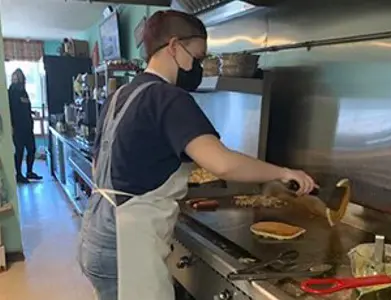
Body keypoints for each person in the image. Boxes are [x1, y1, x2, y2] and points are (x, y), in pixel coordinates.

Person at [78, 10, 317, 300]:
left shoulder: (122, 94)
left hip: (96, 234)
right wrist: (283, 172)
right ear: (174, 46)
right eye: (199, 57)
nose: (199, 67)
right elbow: (222, 164)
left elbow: (97, 167)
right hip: (127, 246)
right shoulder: (168, 97)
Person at [8, 68, 42, 184]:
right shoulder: (12, 91)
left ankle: (29, 172)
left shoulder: (24, 91)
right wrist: (11, 126)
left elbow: (24, 107)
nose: (19, 79)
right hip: (18, 127)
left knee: (32, 149)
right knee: (19, 151)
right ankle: (18, 174)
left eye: (20, 77)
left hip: (28, 126)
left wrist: (32, 112)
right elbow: (11, 109)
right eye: (16, 77)